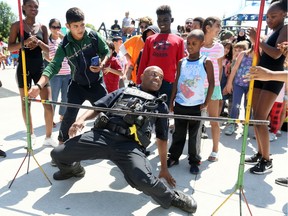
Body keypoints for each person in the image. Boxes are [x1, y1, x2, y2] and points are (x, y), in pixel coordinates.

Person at [50, 66, 197, 213]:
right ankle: (72, 170)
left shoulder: (160, 105)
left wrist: (164, 168)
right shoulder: (123, 91)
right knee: (58, 154)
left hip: (130, 146)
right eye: (153, 74)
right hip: (102, 136)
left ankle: (171, 197)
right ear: (142, 76)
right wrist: (80, 119)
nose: (157, 78)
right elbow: (98, 107)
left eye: (160, 77)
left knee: (144, 181)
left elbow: (162, 138)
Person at [28, 7, 110, 148]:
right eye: (75, 26)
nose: (80, 29)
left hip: (96, 83)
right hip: (77, 85)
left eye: (82, 25)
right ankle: (61, 149)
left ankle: (110, 145)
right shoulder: (64, 45)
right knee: (68, 117)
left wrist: (102, 64)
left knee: (109, 112)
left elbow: (106, 51)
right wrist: (38, 85)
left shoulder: (94, 36)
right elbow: (53, 66)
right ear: (68, 26)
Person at [245, 0, 287, 174]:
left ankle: (267, 160)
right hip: (261, 75)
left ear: (284, 15)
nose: (269, 20)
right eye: (267, 17)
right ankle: (260, 152)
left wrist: (257, 41)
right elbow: (266, 53)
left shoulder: (285, 29)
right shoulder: (273, 32)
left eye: (273, 16)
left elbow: (277, 54)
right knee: (256, 117)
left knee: (262, 118)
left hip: (273, 76)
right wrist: (258, 44)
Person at [8, 0, 56, 147]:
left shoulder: (42, 27)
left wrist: (40, 43)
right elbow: (10, 48)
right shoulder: (17, 26)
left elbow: (48, 52)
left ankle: (48, 137)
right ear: (23, 7)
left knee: (47, 103)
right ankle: (31, 134)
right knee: (26, 104)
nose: (33, 8)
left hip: (40, 68)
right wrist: (25, 42)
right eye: (30, 5)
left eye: (36, 6)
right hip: (23, 68)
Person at [167, 29, 214, 174]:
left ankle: (194, 161)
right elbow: (176, 82)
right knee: (178, 133)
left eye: (194, 43)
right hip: (181, 103)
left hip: (196, 106)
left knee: (194, 136)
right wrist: (172, 100)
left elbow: (212, 83)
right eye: (188, 43)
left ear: (202, 44)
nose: (190, 46)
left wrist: (206, 102)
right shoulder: (182, 62)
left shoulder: (206, 62)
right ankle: (174, 156)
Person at [137, 5, 185, 106]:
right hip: (149, 81)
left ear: (171, 20)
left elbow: (181, 66)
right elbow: (143, 62)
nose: (162, 23)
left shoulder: (179, 41)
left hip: (168, 84)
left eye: (165, 20)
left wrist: (179, 87)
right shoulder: (150, 40)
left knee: (163, 113)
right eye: (159, 20)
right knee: (145, 111)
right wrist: (138, 82)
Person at [200, 16, 224, 162]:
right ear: (208, 27)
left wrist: (217, 85)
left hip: (212, 88)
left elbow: (220, 67)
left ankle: (215, 150)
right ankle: (194, 150)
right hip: (197, 87)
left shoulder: (219, 47)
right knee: (196, 121)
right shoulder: (197, 44)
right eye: (217, 25)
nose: (219, 29)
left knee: (214, 120)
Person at [44, 18, 71, 130]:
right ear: (50, 28)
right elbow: (45, 55)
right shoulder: (47, 41)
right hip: (55, 74)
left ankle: (62, 115)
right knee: (53, 98)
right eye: (54, 27)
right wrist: (55, 62)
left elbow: (71, 48)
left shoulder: (63, 40)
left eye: (58, 27)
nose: (56, 29)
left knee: (65, 97)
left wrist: (63, 38)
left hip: (67, 73)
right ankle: (50, 118)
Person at [223, 42, 253, 136]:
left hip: (250, 85)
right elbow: (235, 69)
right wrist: (229, 83)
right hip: (238, 84)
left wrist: (253, 89)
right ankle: (232, 123)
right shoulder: (243, 54)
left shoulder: (259, 57)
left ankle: (246, 126)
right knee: (235, 104)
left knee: (248, 106)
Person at [119, 16, 153, 83]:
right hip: (136, 75)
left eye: (146, 26)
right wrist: (130, 60)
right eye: (141, 27)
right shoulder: (136, 39)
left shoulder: (154, 41)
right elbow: (122, 47)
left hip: (149, 75)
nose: (143, 29)